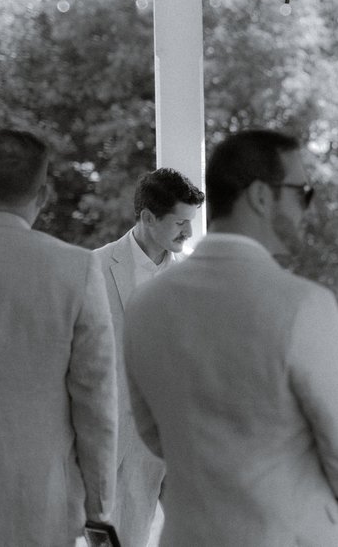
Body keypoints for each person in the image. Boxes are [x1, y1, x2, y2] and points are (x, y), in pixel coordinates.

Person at [123, 129, 338, 545]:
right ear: (261, 196)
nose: (306, 208)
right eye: (302, 191)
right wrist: (334, 519)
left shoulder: (145, 304)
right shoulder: (302, 305)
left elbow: (153, 434)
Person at [0, 128, 117, 544]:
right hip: (39, 502)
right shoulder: (75, 269)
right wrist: (99, 506)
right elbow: (95, 400)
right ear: (42, 194)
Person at [93, 167, 204, 547]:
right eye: (180, 223)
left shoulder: (193, 280)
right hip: (121, 447)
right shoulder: (92, 269)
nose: (188, 233)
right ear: (147, 218)